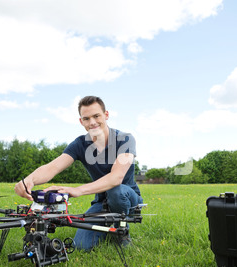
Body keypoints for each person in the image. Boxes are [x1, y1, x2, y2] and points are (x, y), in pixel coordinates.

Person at [14, 96, 142, 251]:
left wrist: (77, 190)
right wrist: (29, 179)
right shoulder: (80, 143)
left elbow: (116, 178)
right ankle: (106, 224)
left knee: (116, 191)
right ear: (81, 122)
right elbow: (53, 167)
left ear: (106, 115)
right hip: (102, 202)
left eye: (96, 116)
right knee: (81, 246)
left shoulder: (125, 139)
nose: (92, 122)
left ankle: (121, 229)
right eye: (86, 118)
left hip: (127, 197)